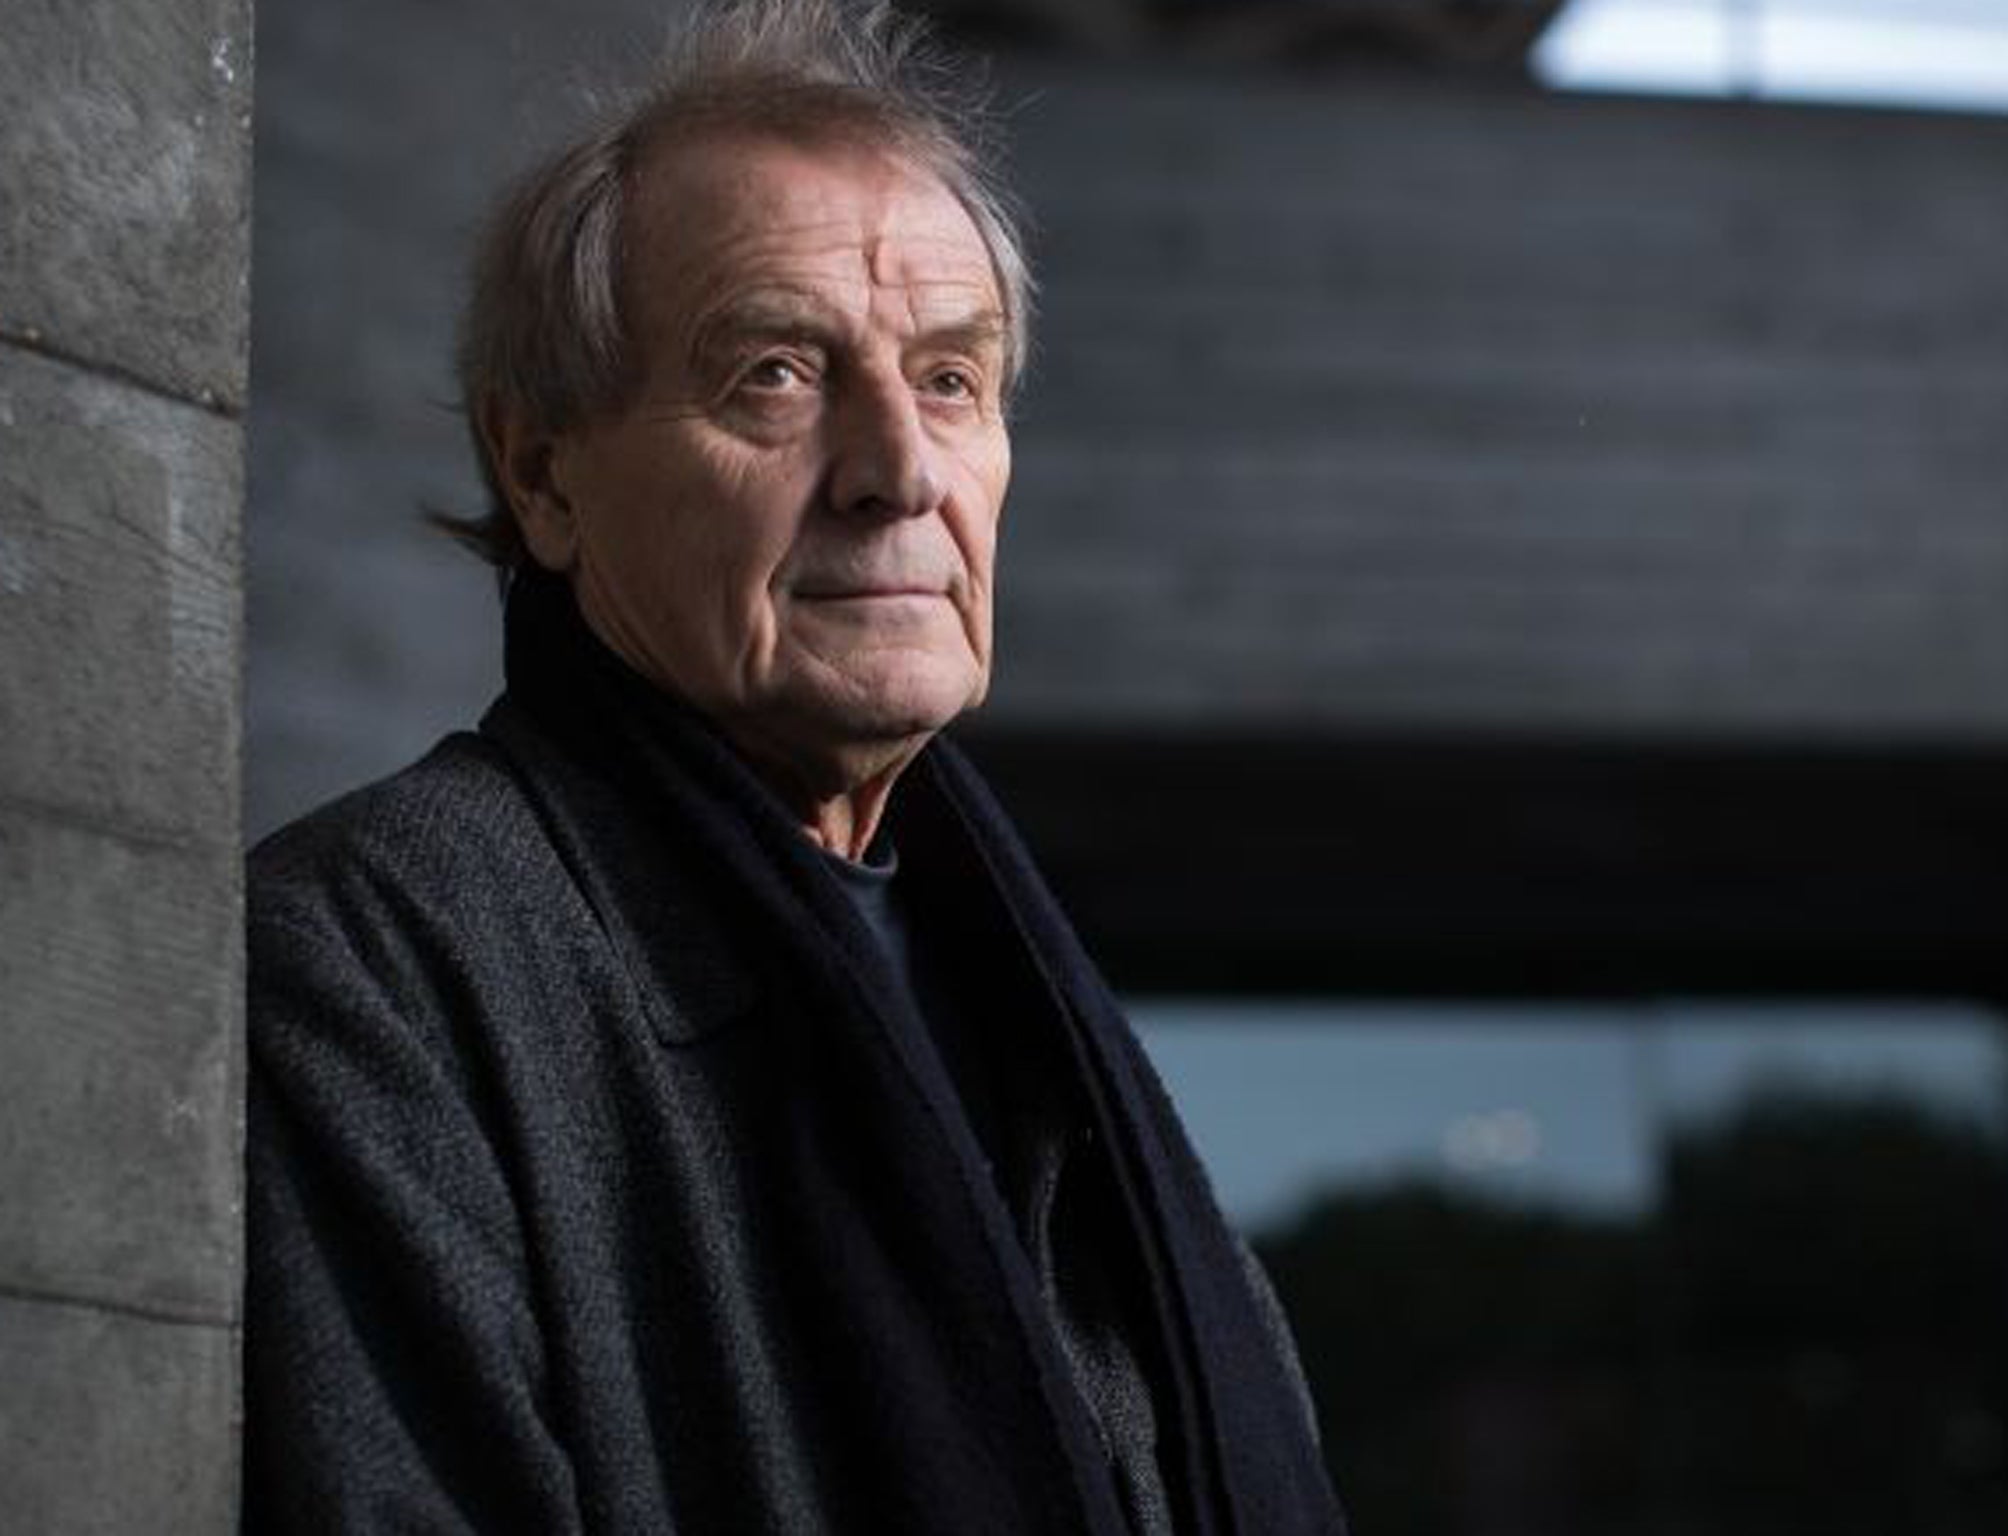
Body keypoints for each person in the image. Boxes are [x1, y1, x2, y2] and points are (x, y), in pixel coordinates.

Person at [243, 2, 1344, 1531]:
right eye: (775, 372)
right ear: (542, 470)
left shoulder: (1029, 996)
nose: (898, 470)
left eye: (952, 382)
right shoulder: (370, 971)